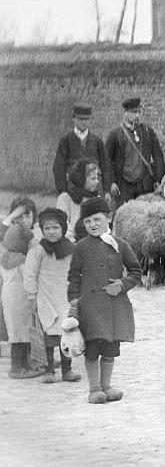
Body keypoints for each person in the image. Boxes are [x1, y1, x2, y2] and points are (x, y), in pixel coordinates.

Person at [67, 197, 142, 404]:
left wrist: (122, 284)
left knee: (110, 348)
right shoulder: (81, 247)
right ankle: (94, 388)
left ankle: (106, 386)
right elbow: (74, 276)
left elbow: (136, 271)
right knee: (92, 347)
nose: (92, 224)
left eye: (97, 219)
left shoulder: (121, 245)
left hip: (114, 307)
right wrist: (73, 301)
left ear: (108, 218)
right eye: (88, 221)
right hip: (89, 308)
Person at [22, 208, 80, 383]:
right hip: (45, 297)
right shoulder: (38, 251)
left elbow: (77, 271)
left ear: (62, 228)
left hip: (65, 296)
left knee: (66, 332)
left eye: (55, 227)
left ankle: (67, 369)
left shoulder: (71, 249)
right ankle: (49, 370)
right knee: (48, 334)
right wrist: (31, 296)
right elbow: (30, 273)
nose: (51, 232)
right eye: (46, 229)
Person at [1, 197, 45, 379]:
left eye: (27, 215)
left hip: (20, 301)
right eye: (19, 217)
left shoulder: (12, 251)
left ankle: (30, 362)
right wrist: (11, 218)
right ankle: (18, 367)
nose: (23, 220)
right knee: (20, 335)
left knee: (25, 333)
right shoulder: (13, 251)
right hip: (20, 300)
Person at [106, 98, 165, 207]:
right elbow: (107, 161)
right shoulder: (115, 134)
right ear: (125, 112)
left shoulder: (147, 132)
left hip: (144, 185)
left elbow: (158, 157)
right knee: (124, 216)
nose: (137, 115)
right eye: (134, 112)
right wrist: (111, 182)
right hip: (123, 186)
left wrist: (158, 179)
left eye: (139, 112)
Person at [52, 104, 112, 196]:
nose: (84, 122)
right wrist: (63, 191)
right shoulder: (66, 141)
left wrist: (107, 190)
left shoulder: (97, 141)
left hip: (95, 189)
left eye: (87, 119)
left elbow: (106, 166)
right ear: (74, 119)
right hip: (74, 189)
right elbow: (59, 168)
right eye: (81, 119)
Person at [54, 160, 102, 242]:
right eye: (93, 179)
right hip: (72, 244)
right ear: (82, 180)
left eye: (97, 178)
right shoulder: (65, 198)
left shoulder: (96, 198)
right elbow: (62, 226)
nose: (97, 182)